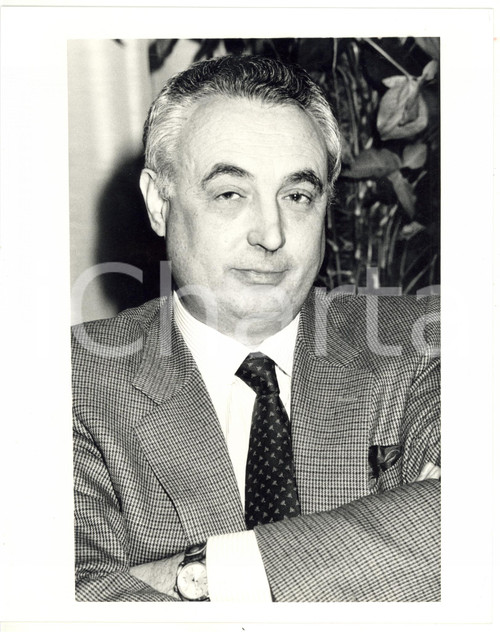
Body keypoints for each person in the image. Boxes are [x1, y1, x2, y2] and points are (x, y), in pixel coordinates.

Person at [72, 54, 440, 602]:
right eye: (230, 194)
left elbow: (476, 524)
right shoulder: (72, 380)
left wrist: (197, 576)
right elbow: (62, 601)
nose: (271, 234)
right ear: (158, 202)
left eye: (298, 196)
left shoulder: (421, 342)